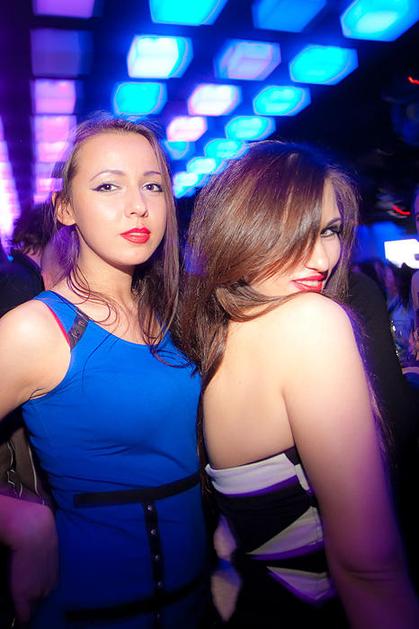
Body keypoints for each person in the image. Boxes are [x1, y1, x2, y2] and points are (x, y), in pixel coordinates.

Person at [178, 141, 419, 627]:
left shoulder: (221, 335)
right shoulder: (310, 322)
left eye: (330, 230)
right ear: (242, 230)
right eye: (294, 228)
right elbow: (369, 568)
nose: (322, 256)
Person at [0, 114, 209, 628]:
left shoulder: (173, 314)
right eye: (108, 186)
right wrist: (20, 521)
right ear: (65, 208)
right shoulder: (37, 329)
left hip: (194, 605)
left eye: (152, 185)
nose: (138, 205)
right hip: (91, 613)